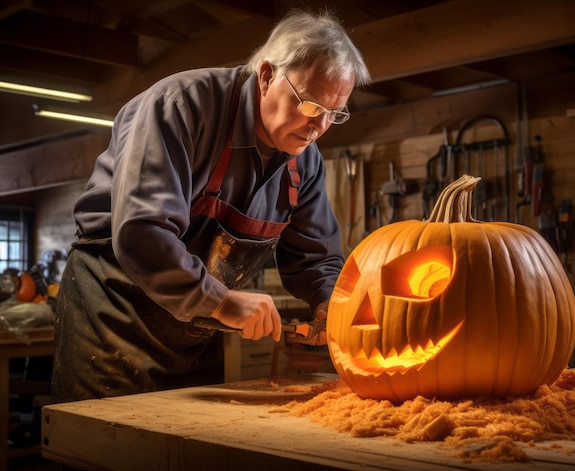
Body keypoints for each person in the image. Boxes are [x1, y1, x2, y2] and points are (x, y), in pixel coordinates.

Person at [51, 8, 371, 402]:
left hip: (194, 336)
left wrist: (330, 304)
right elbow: (143, 232)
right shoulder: (180, 107)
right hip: (113, 319)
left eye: (333, 114)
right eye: (309, 105)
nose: (317, 126)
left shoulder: (305, 160)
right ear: (267, 75)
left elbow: (316, 259)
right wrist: (222, 301)